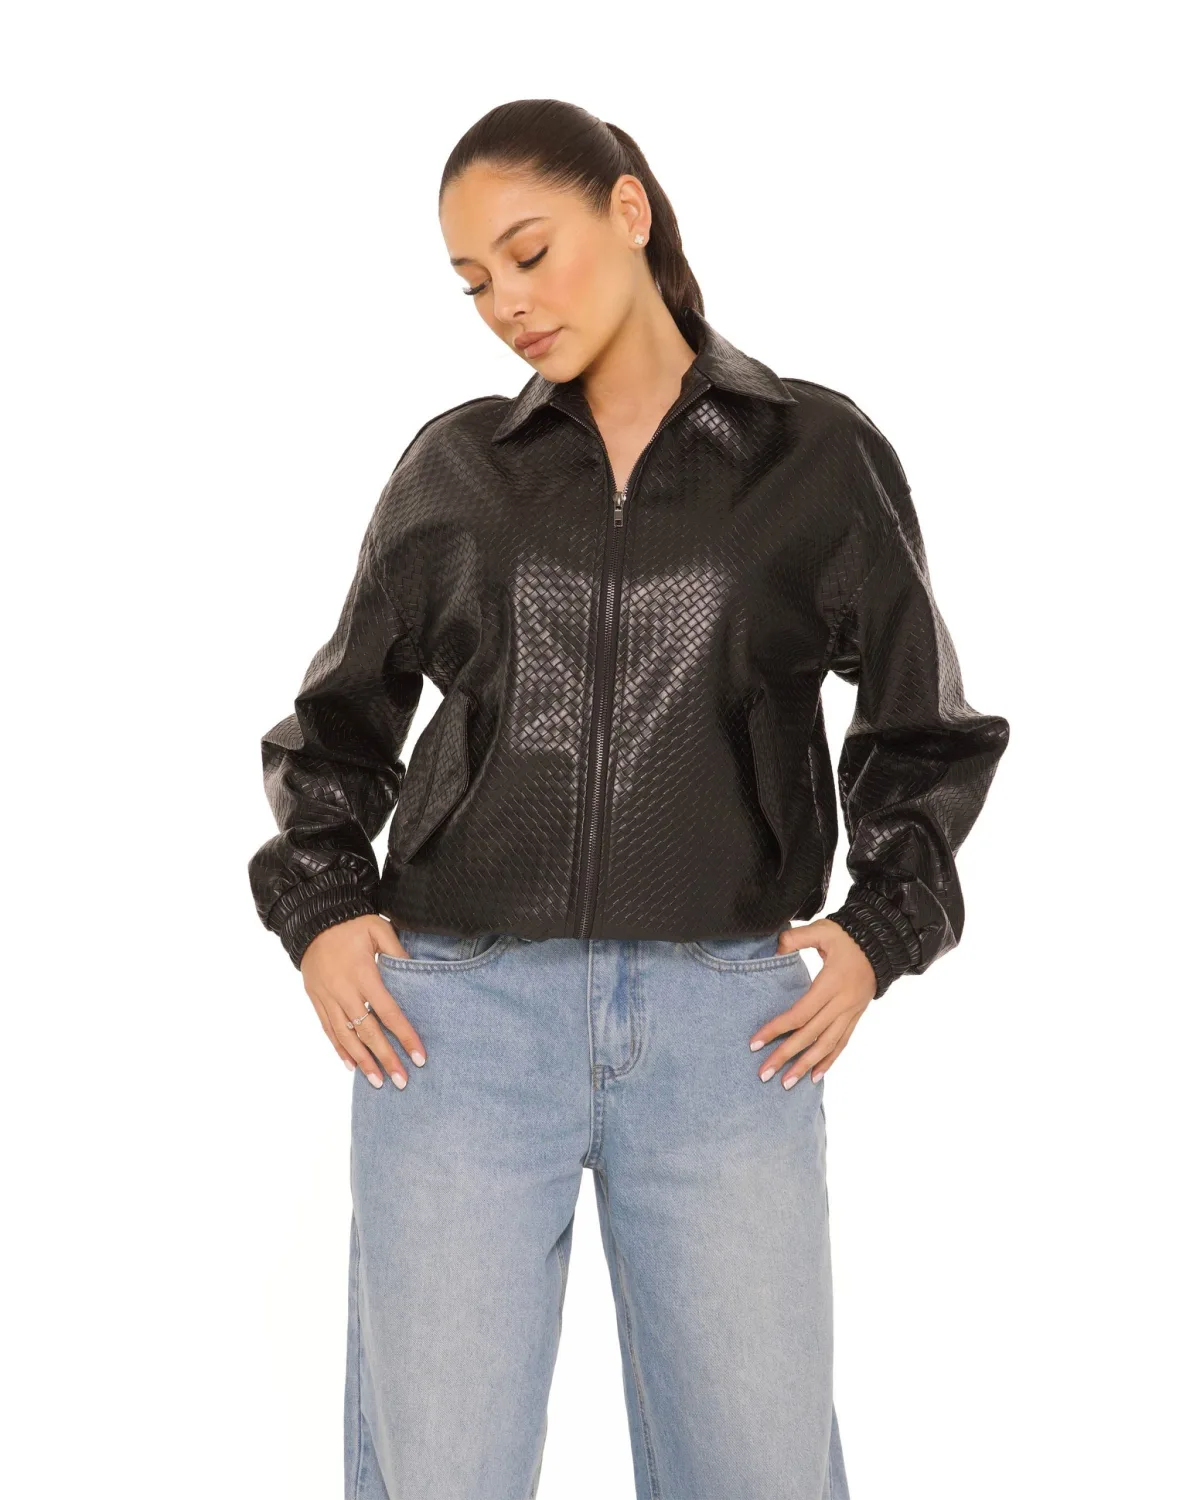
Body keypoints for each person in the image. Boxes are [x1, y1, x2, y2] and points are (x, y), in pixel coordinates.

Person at [248, 98, 1010, 1500]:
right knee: (442, 1473)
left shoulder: (813, 455)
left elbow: (926, 728)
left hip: (729, 1027)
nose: (507, 303)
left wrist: (879, 932)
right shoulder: (456, 468)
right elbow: (340, 722)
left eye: (529, 252)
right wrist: (321, 906)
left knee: (758, 1469)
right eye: (474, 280)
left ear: (629, 210)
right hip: (458, 1021)